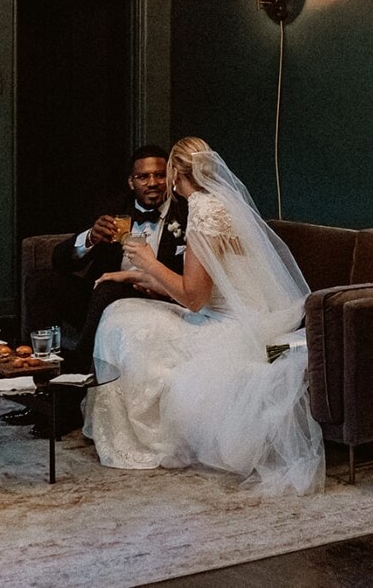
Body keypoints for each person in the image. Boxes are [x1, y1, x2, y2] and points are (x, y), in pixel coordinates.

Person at [82, 137, 325, 495]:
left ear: (177, 174)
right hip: (245, 315)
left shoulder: (202, 213)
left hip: (223, 326)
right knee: (125, 312)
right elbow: (210, 285)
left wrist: (148, 262)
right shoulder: (222, 206)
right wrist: (135, 275)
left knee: (125, 324)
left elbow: (194, 298)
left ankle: (139, 434)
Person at [7, 144, 188, 433]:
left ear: (170, 176)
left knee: (108, 290)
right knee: (41, 283)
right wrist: (90, 237)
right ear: (131, 182)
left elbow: (188, 279)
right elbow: (60, 259)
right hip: (99, 300)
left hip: (154, 301)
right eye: (143, 177)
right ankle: (39, 392)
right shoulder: (114, 209)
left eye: (159, 175)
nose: (152, 183)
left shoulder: (188, 214)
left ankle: (66, 402)